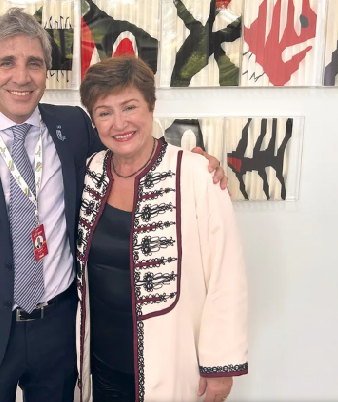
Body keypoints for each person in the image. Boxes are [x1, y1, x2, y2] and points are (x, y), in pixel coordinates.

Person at [0, 8, 227, 402]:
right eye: (7, 63)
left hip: (61, 330)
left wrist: (188, 163)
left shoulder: (75, 126)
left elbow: (128, 152)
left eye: (34, 63)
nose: (22, 76)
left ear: (46, 72)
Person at [76, 56, 248, 402]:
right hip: (103, 362)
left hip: (172, 362)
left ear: (152, 106)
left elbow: (226, 273)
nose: (119, 123)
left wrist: (220, 366)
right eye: (104, 112)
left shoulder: (197, 173)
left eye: (130, 107)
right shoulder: (90, 169)